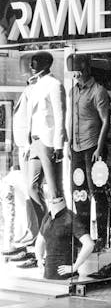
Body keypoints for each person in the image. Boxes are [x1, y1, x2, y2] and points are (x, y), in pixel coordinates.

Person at [67, 54, 111, 236]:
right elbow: (72, 119)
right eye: (72, 72)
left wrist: (99, 148)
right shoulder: (73, 91)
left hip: (93, 148)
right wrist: (68, 143)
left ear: (85, 69)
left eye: (77, 71)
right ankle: (84, 237)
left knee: (97, 192)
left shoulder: (98, 91)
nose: (74, 75)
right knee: (79, 193)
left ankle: (102, 236)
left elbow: (106, 121)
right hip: (76, 149)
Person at [22, 51, 65, 227]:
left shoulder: (54, 85)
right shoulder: (35, 85)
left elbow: (60, 116)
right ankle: (45, 229)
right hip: (34, 142)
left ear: (46, 64)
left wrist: (58, 146)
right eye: (31, 63)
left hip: (48, 142)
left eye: (35, 63)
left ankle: (60, 232)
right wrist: (28, 144)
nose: (31, 67)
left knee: (55, 191)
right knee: (32, 187)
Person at [34, 196, 94, 280]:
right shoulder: (47, 217)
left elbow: (89, 244)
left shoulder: (70, 217)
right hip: (48, 275)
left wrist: (74, 267)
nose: (53, 200)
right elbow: (40, 241)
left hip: (66, 277)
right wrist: (39, 259)